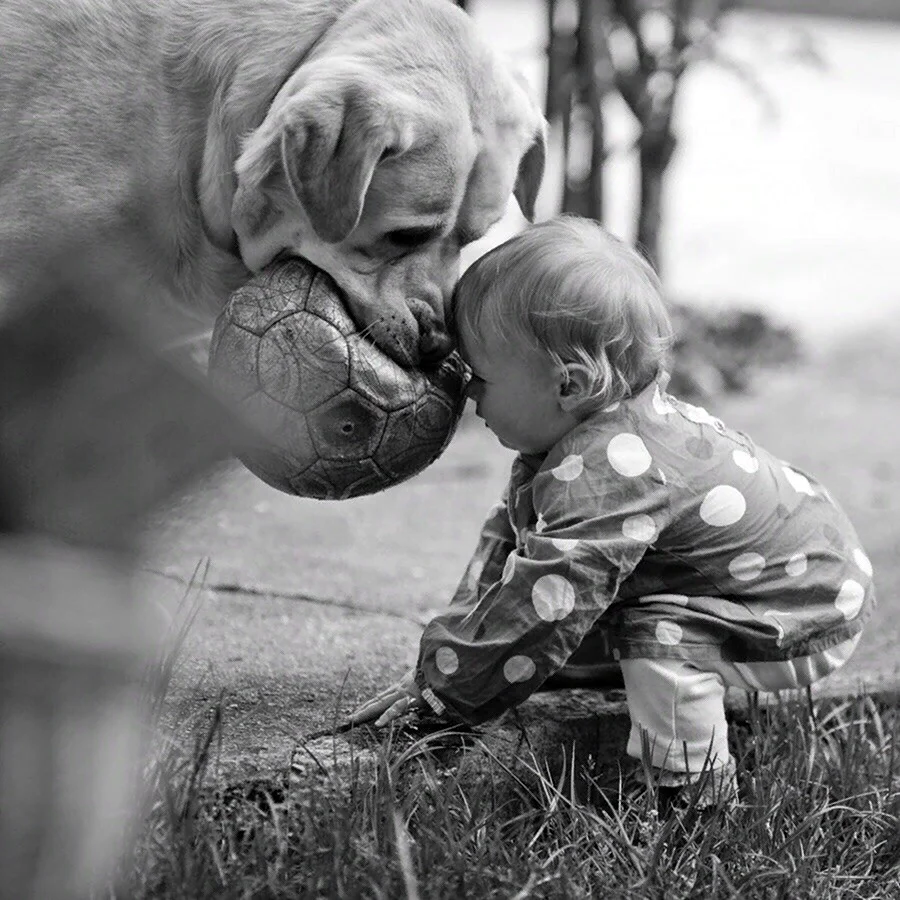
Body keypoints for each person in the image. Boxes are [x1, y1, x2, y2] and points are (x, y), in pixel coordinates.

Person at [350, 215, 875, 799]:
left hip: (803, 609)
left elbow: (545, 599)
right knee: (567, 617)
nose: (466, 393)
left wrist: (447, 699)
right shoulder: (577, 437)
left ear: (568, 386)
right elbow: (508, 555)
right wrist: (451, 663)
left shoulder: (612, 474)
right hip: (799, 567)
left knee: (654, 637)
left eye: (479, 377)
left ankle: (694, 799)